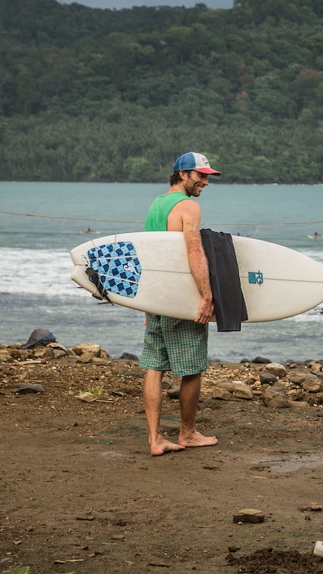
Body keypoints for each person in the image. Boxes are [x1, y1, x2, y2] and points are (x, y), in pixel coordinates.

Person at [141, 151, 222, 456]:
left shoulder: (156, 205)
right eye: (200, 175)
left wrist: (145, 301)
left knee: (154, 366)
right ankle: (187, 433)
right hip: (179, 296)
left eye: (207, 176)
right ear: (183, 174)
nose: (205, 181)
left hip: (156, 297)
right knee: (192, 367)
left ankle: (155, 439)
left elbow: (149, 254)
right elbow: (194, 251)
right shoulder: (189, 206)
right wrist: (207, 294)